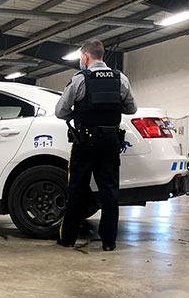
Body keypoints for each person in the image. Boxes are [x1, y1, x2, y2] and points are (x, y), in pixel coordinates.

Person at [55, 39, 137, 251]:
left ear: (85, 56)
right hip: (110, 142)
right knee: (110, 191)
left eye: (81, 58)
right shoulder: (121, 79)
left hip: (85, 141)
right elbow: (131, 109)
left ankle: (68, 238)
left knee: (77, 189)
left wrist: (79, 112)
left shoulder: (79, 79)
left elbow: (60, 111)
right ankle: (109, 242)